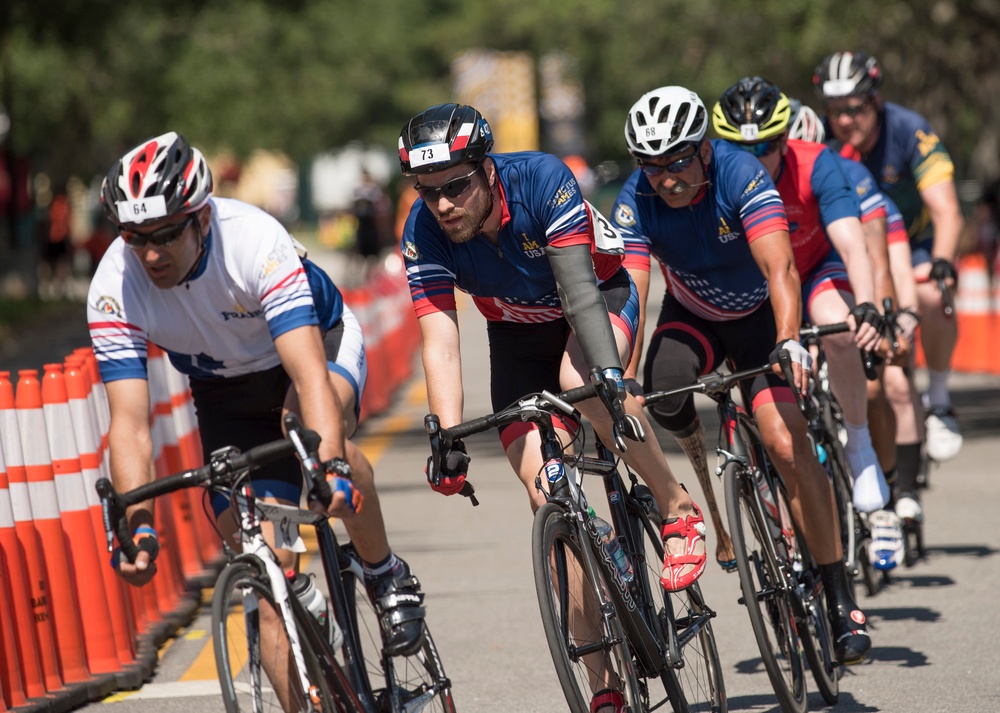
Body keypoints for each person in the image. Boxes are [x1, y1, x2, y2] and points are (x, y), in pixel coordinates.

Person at [88, 132, 425, 709]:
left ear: (201, 218)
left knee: (314, 442)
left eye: (166, 233)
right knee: (265, 572)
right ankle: (295, 598)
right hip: (224, 392)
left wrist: (331, 466)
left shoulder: (253, 241)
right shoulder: (113, 286)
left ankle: (383, 571)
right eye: (134, 237)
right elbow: (129, 426)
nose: (150, 254)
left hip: (312, 350)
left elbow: (310, 376)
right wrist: (137, 522)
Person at [398, 103, 705, 712]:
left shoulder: (541, 179)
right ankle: (603, 688)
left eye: (456, 185)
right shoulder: (423, 230)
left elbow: (578, 291)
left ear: (486, 170)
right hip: (515, 339)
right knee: (548, 497)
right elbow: (440, 339)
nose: (443, 204)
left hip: (594, 302)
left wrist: (611, 381)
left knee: (580, 379)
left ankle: (676, 508)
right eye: (427, 191)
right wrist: (448, 435)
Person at [611, 86, 871, 665]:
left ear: (704, 149)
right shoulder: (637, 198)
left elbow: (781, 267)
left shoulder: (740, 172)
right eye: (651, 166)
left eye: (678, 161)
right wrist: (621, 372)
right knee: (660, 394)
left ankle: (837, 592)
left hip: (758, 320)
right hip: (694, 318)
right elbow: (633, 289)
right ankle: (705, 485)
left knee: (784, 441)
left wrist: (787, 340)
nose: (666, 178)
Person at [815, 50, 965, 470]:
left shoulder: (909, 130)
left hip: (914, 244)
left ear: (876, 100)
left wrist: (942, 262)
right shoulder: (819, 135)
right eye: (834, 111)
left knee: (934, 297)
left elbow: (948, 210)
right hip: (847, 250)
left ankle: (938, 401)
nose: (844, 121)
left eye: (855, 109)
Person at [787, 99, 918, 569]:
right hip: (784, 286)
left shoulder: (845, 175)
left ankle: (882, 497)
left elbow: (874, 256)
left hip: (837, 275)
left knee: (875, 379)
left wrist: (879, 320)